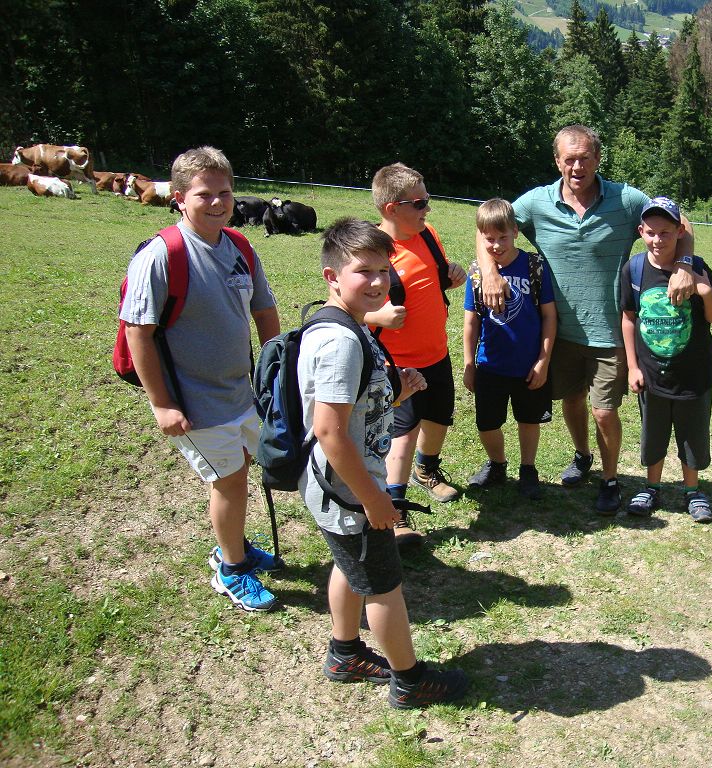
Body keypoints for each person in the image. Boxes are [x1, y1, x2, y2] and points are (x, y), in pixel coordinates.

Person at [476, 125, 696, 515]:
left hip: (611, 331)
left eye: (585, 158)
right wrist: (490, 272)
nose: (577, 167)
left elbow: (682, 223)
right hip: (558, 331)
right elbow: (488, 228)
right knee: (572, 399)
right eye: (569, 159)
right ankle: (582, 455)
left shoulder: (626, 200)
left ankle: (610, 481)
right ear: (557, 161)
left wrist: (684, 265)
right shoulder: (537, 202)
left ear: (597, 158)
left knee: (604, 411)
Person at [298, 218, 468, 708]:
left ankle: (344, 652)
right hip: (350, 489)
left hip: (338, 485)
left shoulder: (349, 324)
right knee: (384, 588)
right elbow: (330, 431)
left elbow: (348, 412)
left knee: (350, 566)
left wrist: (395, 394)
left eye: (383, 270)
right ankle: (410, 681)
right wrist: (374, 499)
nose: (378, 282)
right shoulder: (341, 342)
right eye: (363, 272)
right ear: (332, 277)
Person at [121, 146, 282, 611]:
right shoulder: (162, 254)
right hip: (194, 400)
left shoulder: (240, 247)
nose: (217, 203)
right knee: (229, 481)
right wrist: (162, 404)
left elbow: (264, 310)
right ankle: (231, 569)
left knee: (239, 469)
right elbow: (138, 332)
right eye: (204, 194)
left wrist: (272, 373)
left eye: (225, 193)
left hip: (240, 391)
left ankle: (233, 544)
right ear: (178, 199)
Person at [365, 163, 467, 549]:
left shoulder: (427, 234)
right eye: (420, 203)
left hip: (436, 353)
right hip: (397, 363)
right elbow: (342, 308)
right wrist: (378, 317)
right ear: (392, 209)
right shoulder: (371, 251)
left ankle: (427, 470)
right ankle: (395, 511)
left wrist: (451, 274)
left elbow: (431, 279)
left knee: (439, 419)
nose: (428, 208)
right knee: (403, 436)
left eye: (427, 199)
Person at [621, 198, 712, 522]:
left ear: (680, 232)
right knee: (653, 435)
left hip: (693, 374)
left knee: (692, 436)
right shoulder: (634, 269)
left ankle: (692, 490)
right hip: (651, 375)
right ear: (641, 232)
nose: (658, 240)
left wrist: (704, 291)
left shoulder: (697, 268)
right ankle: (651, 487)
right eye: (651, 232)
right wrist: (632, 367)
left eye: (665, 232)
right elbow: (628, 318)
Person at [463, 198, 557, 500]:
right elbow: (471, 322)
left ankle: (528, 469)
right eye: (489, 238)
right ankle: (497, 464)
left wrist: (543, 361)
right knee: (487, 423)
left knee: (529, 420)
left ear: (515, 231)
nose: (496, 245)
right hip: (490, 364)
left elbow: (549, 316)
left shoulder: (534, 266)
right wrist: (468, 364)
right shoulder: (477, 273)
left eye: (503, 237)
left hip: (528, 365)